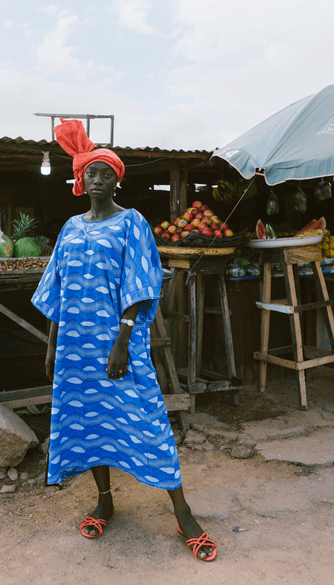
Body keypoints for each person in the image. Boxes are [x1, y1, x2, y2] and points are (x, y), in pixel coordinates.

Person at [31, 119, 216, 561]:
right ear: (81, 178)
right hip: (75, 347)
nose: (98, 179)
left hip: (119, 343)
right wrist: (52, 345)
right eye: (91, 172)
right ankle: (104, 499)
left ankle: (183, 510)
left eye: (107, 173)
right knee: (88, 420)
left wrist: (122, 341)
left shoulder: (131, 222)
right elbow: (57, 289)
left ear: (117, 180)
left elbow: (139, 283)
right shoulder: (71, 229)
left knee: (147, 417)